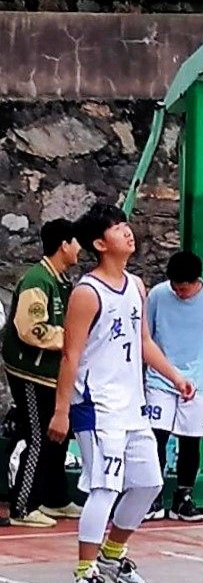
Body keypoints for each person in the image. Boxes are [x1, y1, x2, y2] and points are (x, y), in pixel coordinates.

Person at [49, 203, 194, 583]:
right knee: (104, 487)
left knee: (148, 482)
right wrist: (61, 410)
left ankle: (112, 555)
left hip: (132, 405)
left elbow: (143, 340)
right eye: (117, 229)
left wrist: (175, 376)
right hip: (97, 406)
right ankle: (84, 576)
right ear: (100, 244)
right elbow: (70, 355)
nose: (128, 232)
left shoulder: (136, 286)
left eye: (126, 225)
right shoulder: (87, 293)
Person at [3, 218, 84, 528]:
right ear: (64, 245)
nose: (79, 249)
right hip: (30, 372)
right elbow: (30, 329)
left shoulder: (59, 280)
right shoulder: (37, 280)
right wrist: (69, 338)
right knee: (37, 436)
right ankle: (22, 507)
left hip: (51, 373)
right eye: (75, 242)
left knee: (58, 437)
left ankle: (56, 498)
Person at [143, 250, 203, 523]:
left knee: (190, 440)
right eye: (175, 287)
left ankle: (183, 497)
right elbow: (147, 334)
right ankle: (152, 495)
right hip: (160, 378)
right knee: (155, 436)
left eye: (184, 288)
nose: (179, 293)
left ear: (196, 281)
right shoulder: (157, 296)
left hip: (198, 382)